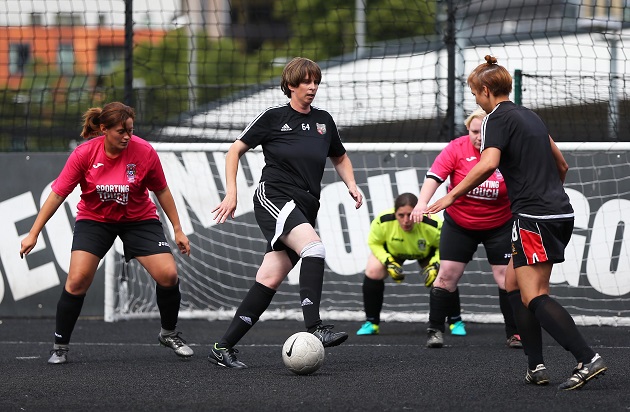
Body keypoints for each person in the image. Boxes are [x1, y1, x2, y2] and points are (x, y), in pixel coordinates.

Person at [425, 55, 606, 390]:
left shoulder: (495, 118)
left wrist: (452, 196)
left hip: (534, 217)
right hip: (558, 212)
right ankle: (536, 366)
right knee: (512, 286)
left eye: (475, 94)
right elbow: (562, 165)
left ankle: (587, 357)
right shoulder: (531, 117)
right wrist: (547, 195)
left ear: (485, 90)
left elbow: (487, 163)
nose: (476, 101)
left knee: (534, 295)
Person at [209, 57, 363, 369]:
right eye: (306, 82)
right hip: (274, 195)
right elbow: (234, 151)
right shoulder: (273, 117)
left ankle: (222, 347)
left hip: (306, 204)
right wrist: (232, 192)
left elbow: (340, 156)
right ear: (290, 85)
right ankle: (315, 327)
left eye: (315, 82)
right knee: (315, 248)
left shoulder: (324, 121)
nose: (312, 87)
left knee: (269, 277)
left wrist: (352, 184)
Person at [19, 102, 193, 364]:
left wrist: (178, 229)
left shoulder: (144, 151)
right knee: (77, 281)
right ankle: (60, 346)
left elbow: (162, 191)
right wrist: (34, 232)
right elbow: (57, 194)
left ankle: (168, 333)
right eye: (121, 131)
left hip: (138, 219)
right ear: (104, 129)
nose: (127, 137)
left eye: (130, 131)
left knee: (168, 275)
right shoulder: (84, 154)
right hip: (95, 220)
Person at [411, 108, 521, 349]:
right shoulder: (457, 148)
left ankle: (515, 333)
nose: (478, 137)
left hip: (499, 225)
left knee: (505, 279)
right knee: (447, 275)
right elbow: (435, 176)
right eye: (473, 132)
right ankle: (435, 330)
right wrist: (421, 202)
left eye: (483, 132)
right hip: (460, 224)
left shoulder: (506, 150)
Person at [357, 192, 467, 336]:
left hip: (426, 253)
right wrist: (388, 261)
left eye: (410, 215)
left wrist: (434, 265)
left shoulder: (433, 224)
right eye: (401, 215)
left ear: (417, 212)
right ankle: (371, 322)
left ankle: (455, 321)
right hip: (393, 253)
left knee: (445, 276)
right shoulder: (382, 221)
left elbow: (445, 247)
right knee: (373, 270)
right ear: (394, 213)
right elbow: (374, 243)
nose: (406, 220)